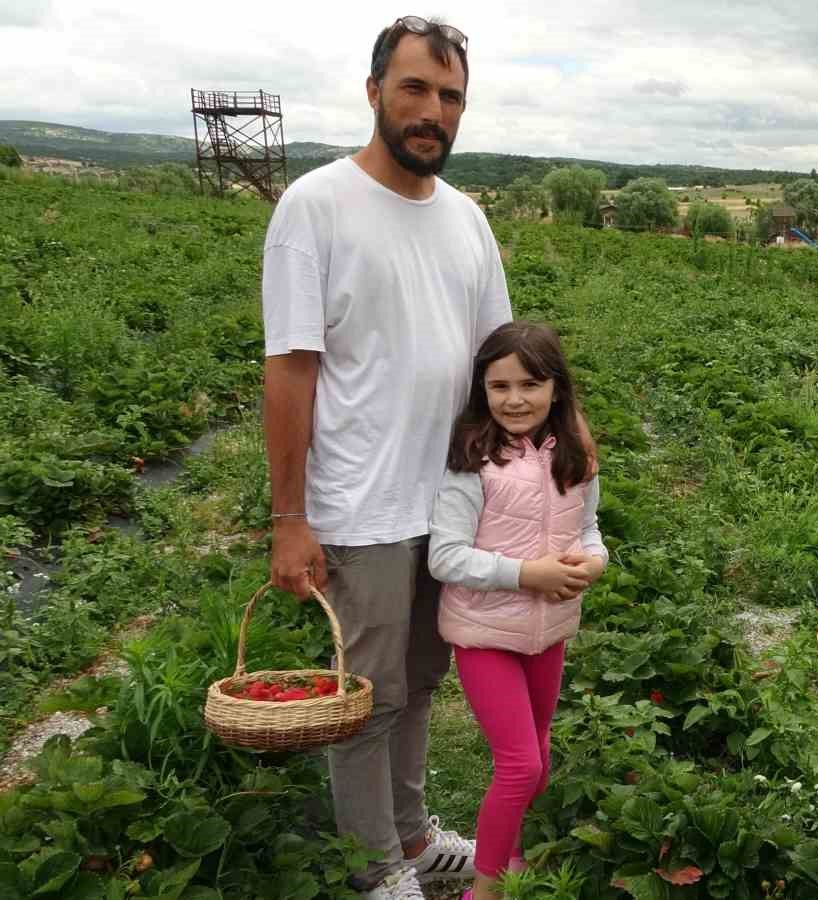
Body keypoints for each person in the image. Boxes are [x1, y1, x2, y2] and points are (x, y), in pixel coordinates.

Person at [263, 16, 510, 898]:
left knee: (419, 682)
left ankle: (408, 833)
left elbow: (494, 368)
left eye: (450, 97)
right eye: (414, 89)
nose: (432, 111)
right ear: (374, 92)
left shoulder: (468, 221)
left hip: (446, 503)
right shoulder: (316, 206)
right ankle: (377, 876)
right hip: (360, 510)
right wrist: (289, 519)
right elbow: (291, 370)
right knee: (364, 704)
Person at [428, 321, 606, 900]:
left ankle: (514, 853)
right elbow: (446, 557)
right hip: (484, 634)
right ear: (482, 389)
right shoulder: (473, 460)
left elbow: (590, 529)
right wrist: (528, 574)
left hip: (547, 631)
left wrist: (593, 563)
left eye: (530, 384)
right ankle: (485, 889)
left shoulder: (574, 456)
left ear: (557, 388)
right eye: (499, 386)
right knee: (520, 765)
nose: (514, 399)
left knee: (540, 750)